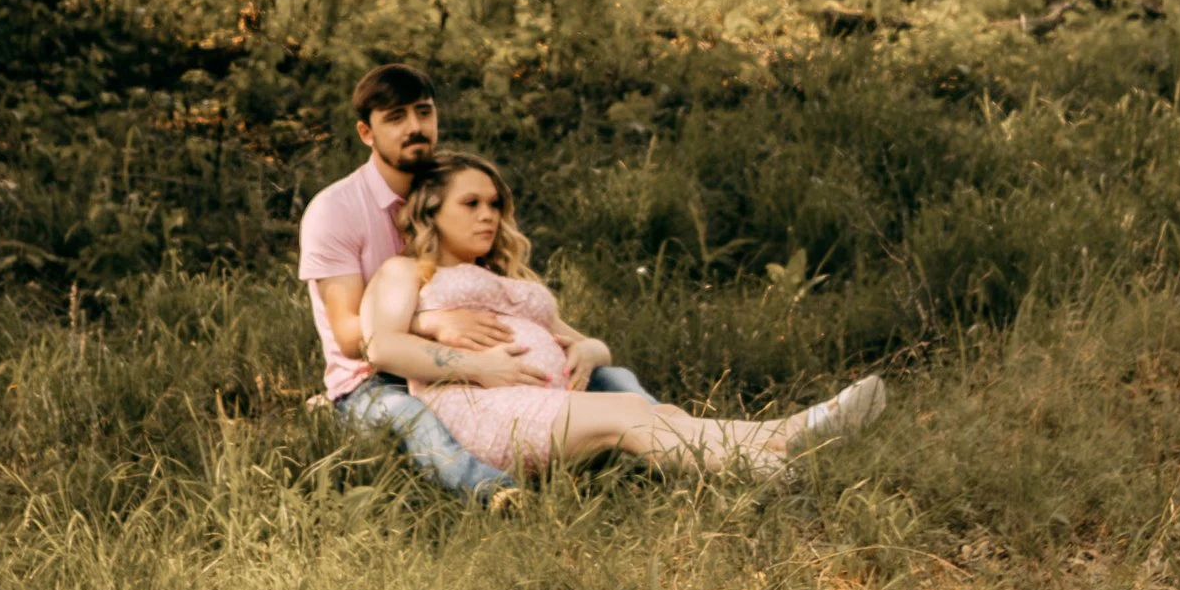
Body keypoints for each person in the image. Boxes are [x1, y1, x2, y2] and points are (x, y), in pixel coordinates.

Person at [364, 147, 889, 479]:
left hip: (539, 398)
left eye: (495, 204)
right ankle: (777, 458)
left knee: (656, 416)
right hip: (483, 408)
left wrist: (589, 349)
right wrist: (481, 368)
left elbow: (586, 341)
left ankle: (786, 440)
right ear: (431, 210)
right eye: (471, 203)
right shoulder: (406, 272)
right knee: (630, 416)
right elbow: (382, 346)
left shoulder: (508, 278)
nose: (488, 215)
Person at [298, 61, 658, 502]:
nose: (415, 127)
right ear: (365, 133)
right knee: (410, 415)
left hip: (472, 361)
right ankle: (493, 493)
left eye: (424, 112)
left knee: (611, 377)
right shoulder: (335, 210)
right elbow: (351, 337)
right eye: (395, 118)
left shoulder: (453, 193)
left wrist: (579, 347)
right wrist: (430, 323)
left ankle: (672, 443)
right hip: (375, 379)